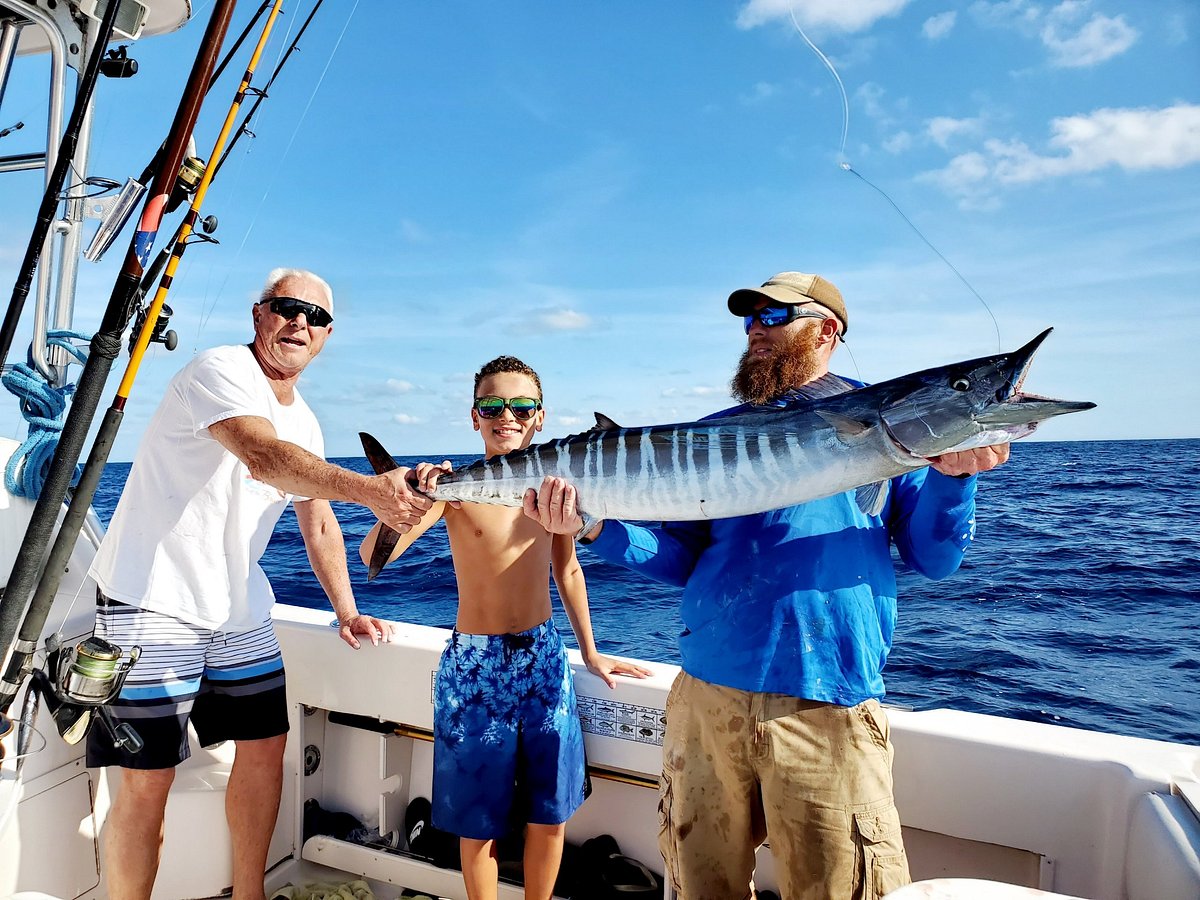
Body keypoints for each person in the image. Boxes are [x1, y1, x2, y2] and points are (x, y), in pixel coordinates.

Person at [522, 271, 1010, 900]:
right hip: (705, 701)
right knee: (702, 888)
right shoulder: (712, 434)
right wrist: (596, 531)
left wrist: (954, 478)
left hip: (826, 705)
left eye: (778, 317)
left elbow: (934, 559)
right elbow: (679, 560)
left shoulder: (887, 426)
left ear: (828, 330)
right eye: (752, 319)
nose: (757, 330)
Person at [87, 268, 432, 900]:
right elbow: (263, 456)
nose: (302, 322)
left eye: (317, 317)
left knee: (267, 746)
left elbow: (318, 521)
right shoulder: (217, 370)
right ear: (259, 315)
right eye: (288, 308)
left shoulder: (308, 422)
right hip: (152, 597)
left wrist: (348, 610)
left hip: (237, 605)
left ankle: (249, 895)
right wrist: (370, 491)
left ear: (327, 336)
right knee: (147, 777)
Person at [359, 355, 649, 900]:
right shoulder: (455, 488)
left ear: (540, 417)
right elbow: (374, 554)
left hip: (543, 660)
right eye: (493, 405)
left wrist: (590, 651)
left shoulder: (556, 490)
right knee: (478, 822)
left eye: (521, 406)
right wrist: (402, 494)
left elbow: (567, 568)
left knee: (551, 811)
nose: (506, 415)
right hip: (474, 667)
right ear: (474, 416)